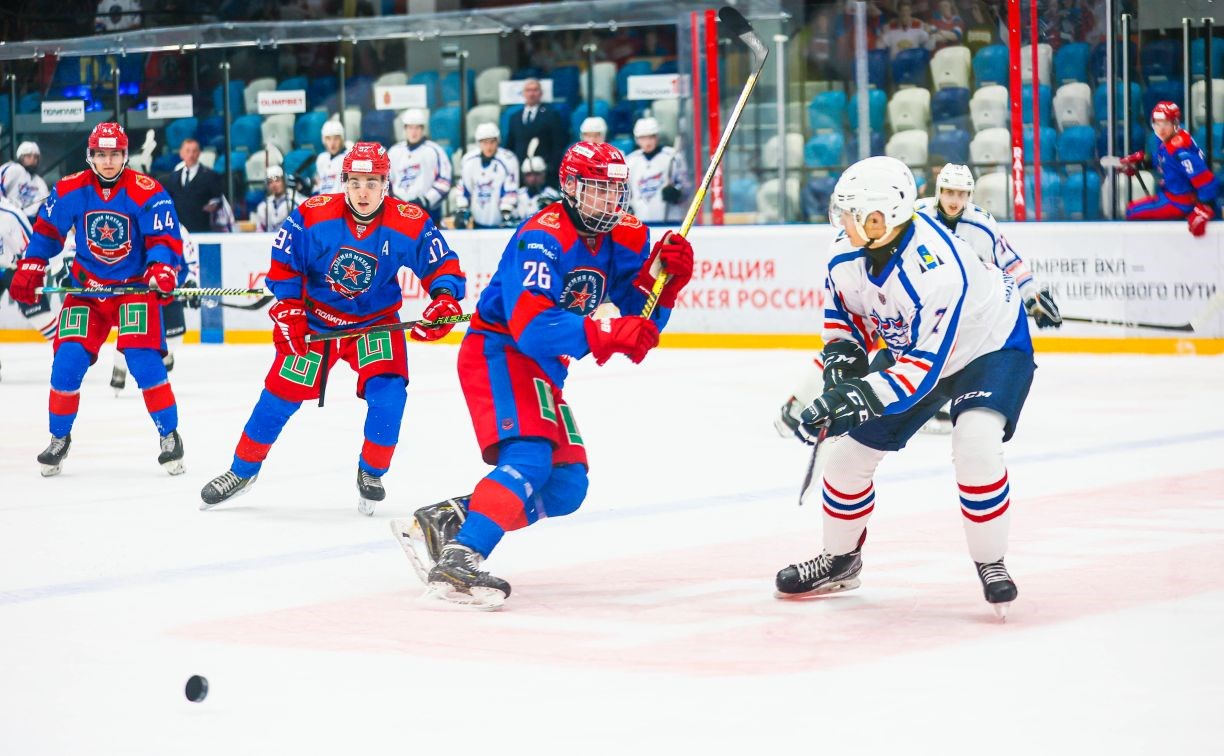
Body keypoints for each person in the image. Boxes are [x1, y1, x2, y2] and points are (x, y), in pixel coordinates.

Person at [391, 141, 695, 608]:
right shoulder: (542, 237)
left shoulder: (629, 235)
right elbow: (532, 329)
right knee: (531, 459)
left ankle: (452, 520)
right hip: (499, 352)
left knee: (566, 485)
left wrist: (665, 284)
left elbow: (639, 325)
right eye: (597, 190)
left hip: (544, 369)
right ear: (571, 188)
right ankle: (461, 557)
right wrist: (607, 330)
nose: (610, 202)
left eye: (617, 191)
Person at [774, 156, 1032, 618]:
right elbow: (844, 316)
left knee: (974, 443)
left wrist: (855, 397)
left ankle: (991, 562)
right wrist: (842, 365)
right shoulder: (845, 251)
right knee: (848, 456)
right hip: (914, 344)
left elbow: (923, 373)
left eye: (851, 213)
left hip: (989, 344)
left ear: (881, 218)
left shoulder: (939, 271)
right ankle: (841, 561)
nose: (841, 222)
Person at [199, 142, 466, 516]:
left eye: (372, 182)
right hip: (316, 322)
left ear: (386, 183)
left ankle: (372, 471)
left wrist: (444, 299)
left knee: (389, 395)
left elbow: (442, 265)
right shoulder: (312, 214)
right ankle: (242, 471)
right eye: (355, 181)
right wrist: (289, 308)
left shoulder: (409, 220)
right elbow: (285, 264)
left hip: (374, 324)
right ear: (343, 181)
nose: (363, 191)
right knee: (279, 396)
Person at [8, 122, 187, 477]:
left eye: (115, 154)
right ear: (90, 156)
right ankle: (59, 438)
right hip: (87, 290)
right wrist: (31, 264)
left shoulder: (147, 191)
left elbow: (164, 239)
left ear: (125, 156)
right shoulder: (71, 188)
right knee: (67, 361)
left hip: (133, 289)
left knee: (143, 360)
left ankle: (170, 435)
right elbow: (47, 231)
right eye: (101, 154)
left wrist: (163, 270)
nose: (108, 161)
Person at [109, 225, 198, 393]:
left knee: (175, 337)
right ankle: (119, 367)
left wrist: (191, 283)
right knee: (131, 336)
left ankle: (166, 353)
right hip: (140, 291)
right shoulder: (133, 223)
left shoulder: (178, 229)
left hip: (169, 289)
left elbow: (191, 262)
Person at [1120, 101, 1217, 235]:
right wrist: (1141, 163)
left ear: (1175, 123)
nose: (1160, 129)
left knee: (1132, 211)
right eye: (1157, 124)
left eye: (1165, 123)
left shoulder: (1180, 149)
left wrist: (1204, 207)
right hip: (1170, 195)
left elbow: (1206, 181)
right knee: (1132, 209)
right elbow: (1165, 163)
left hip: (1181, 202)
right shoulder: (1167, 139)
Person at [387, 108, 452, 224]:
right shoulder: (394, 152)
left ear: (423, 129)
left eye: (417, 127)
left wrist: (426, 200)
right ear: (405, 129)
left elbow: (444, 181)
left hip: (427, 212)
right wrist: (395, 203)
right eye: (410, 127)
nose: (414, 132)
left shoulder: (434, 150)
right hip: (399, 213)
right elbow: (386, 182)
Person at [453, 123, 519, 229]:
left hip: (500, 220)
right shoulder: (469, 160)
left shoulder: (508, 159)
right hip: (477, 218)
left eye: (492, 142)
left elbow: (511, 188)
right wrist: (462, 208)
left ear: (498, 141)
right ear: (478, 143)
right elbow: (464, 187)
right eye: (485, 142)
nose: (489, 147)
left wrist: (506, 211)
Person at [505, 78, 567, 189]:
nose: (531, 93)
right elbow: (510, 145)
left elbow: (558, 144)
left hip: (544, 175)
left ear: (541, 93)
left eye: (535, 90)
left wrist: (549, 167)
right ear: (523, 93)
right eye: (528, 90)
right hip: (520, 175)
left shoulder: (551, 115)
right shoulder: (514, 117)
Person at [624, 117, 687, 223]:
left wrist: (677, 191)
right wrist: (628, 207)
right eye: (642, 138)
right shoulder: (630, 161)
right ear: (637, 139)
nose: (647, 142)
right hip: (640, 219)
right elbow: (626, 191)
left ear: (657, 137)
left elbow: (686, 186)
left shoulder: (672, 156)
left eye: (651, 137)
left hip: (670, 220)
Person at [165, 138, 225, 233]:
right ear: (181, 153)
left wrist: (214, 204)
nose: (191, 154)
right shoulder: (173, 177)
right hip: (179, 231)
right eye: (188, 151)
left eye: (194, 151)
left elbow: (218, 198)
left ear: (199, 153)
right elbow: (167, 200)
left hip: (201, 229)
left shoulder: (210, 175)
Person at [0, 141, 50, 223]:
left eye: (35, 157)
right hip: (9, 219)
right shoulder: (13, 169)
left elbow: (47, 205)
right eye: (29, 156)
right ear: (21, 157)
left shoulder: (39, 181)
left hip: (30, 222)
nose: (33, 159)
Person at [252, 166, 307, 233]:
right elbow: (260, 230)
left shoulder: (297, 200)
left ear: (284, 181)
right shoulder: (263, 206)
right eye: (270, 182)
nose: (274, 185)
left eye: (277, 180)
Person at [511, 155, 562, 222]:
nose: (533, 178)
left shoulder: (553, 196)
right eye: (529, 175)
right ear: (523, 176)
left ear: (544, 174)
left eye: (537, 174)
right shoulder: (516, 195)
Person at [313, 120, 348, 195]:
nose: (332, 143)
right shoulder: (322, 158)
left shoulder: (348, 158)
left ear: (342, 139)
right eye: (328, 138)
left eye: (336, 138)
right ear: (324, 140)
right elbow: (318, 186)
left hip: (338, 202)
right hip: (323, 202)